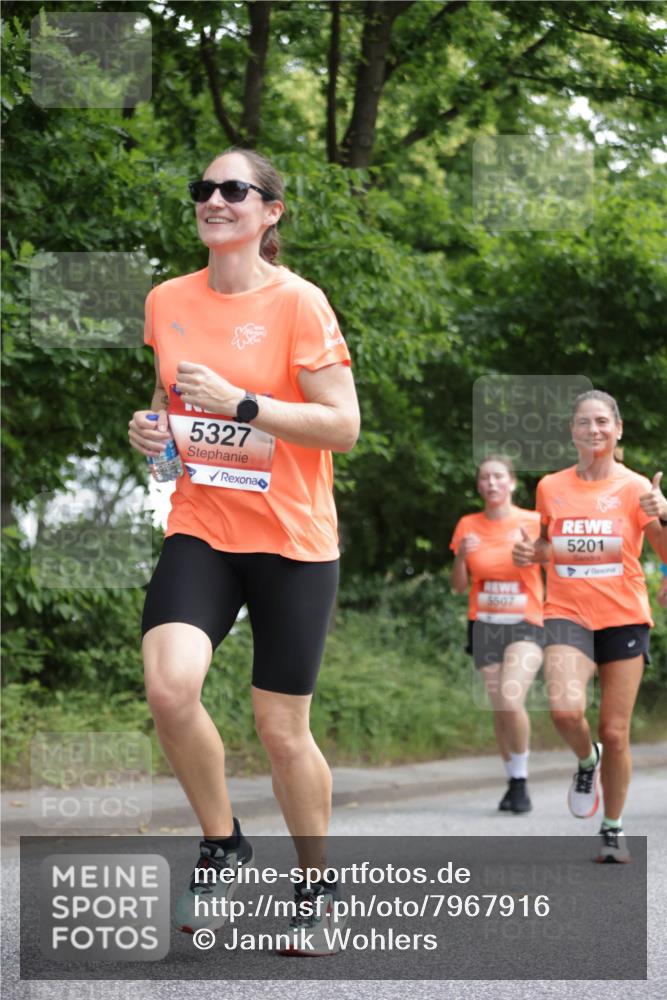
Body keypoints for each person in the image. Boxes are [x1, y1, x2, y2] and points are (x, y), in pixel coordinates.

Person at [128, 148, 360, 951]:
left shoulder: (299, 303)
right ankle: (222, 842)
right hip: (203, 526)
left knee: (280, 730)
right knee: (168, 688)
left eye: (235, 189)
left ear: (270, 213)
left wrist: (247, 404)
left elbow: (343, 425)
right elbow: (171, 412)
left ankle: (316, 884)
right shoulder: (167, 300)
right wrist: (151, 437)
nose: (215, 200)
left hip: (293, 541)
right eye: (205, 188)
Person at [513, 390, 667, 863]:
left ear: (618, 429)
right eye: (584, 422)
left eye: (603, 421)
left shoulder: (637, 488)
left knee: (616, 731)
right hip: (566, 612)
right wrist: (530, 554)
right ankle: (586, 760)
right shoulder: (549, 486)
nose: (594, 429)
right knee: (563, 711)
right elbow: (548, 545)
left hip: (623, 616)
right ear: (572, 432)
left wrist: (663, 512)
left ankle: (613, 828)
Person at [451, 456, 544, 814]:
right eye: (485, 477)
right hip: (484, 623)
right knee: (500, 709)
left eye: (498, 477)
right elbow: (459, 586)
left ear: (513, 483)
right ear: (479, 485)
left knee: (510, 698)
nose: (491, 483)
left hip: (526, 621)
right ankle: (513, 779)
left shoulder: (533, 522)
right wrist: (460, 557)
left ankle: (520, 780)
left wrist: (533, 554)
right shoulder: (467, 525)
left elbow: (551, 561)